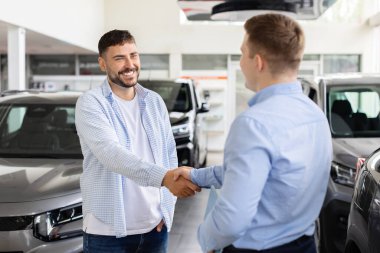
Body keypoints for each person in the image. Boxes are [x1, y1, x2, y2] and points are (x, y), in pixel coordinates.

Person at [174, 13, 332, 253]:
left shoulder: (253, 124)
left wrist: (206, 239)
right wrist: (197, 176)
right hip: (305, 245)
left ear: (258, 62)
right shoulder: (316, 115)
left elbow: (232, 219)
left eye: (241, 53)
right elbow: (259, 173)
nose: (240, 61)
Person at [75, 29, 200, 253]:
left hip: (154, 227)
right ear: (102, 64)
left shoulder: (153, 101)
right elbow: (110, 153)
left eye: (133, 55)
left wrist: (166, 210)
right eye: (119, 58)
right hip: (107, 231)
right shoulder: (91, 103)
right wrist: (165, 178)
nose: (129, 64)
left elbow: (169, 154)